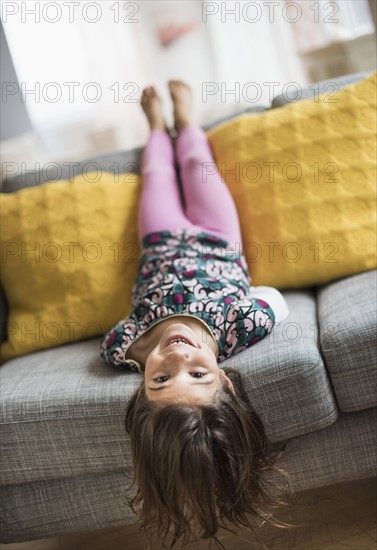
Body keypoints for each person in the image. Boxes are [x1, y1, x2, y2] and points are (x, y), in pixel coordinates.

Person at [99, 80, 290, 548]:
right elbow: (275, 300)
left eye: (160, 380)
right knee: (197, 165)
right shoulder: (240, 327)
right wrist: (243, 293)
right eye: (199, 374)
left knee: (161, 174)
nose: (176, 358)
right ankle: (185, 117)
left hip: (161, 241)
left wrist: (138, 353)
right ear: (225, 379)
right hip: (216, 237)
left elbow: (112, 341)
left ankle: (155, 125)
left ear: (141, 389)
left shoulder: (125, 347)